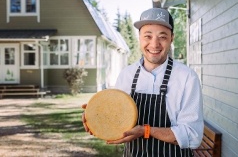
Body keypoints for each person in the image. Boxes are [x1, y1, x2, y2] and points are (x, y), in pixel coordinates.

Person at [82, 8, 204, 156]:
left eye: (162, 37)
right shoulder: (126, 75)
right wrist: (95, 115)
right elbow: (116, 120)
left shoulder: (187, 77)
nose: (154, 44)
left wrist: (146, 131)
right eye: (148, 36)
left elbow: (193, 136)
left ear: (172, 38)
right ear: (139, 37)